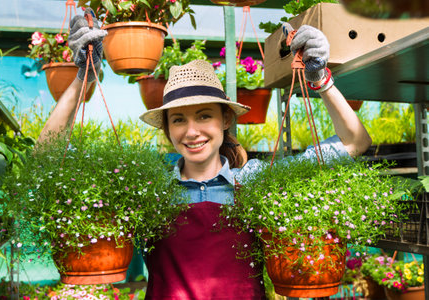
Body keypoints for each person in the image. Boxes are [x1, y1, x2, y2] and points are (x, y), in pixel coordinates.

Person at [38, 9, 372, 300]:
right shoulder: (148, 189)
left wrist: (319, 78)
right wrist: (82, 77)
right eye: (179, 119)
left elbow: (355, 143)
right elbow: (45, 157)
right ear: (167, 129)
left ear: (225, 120)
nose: (192, 131)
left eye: (204, 116)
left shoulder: (257, 182)